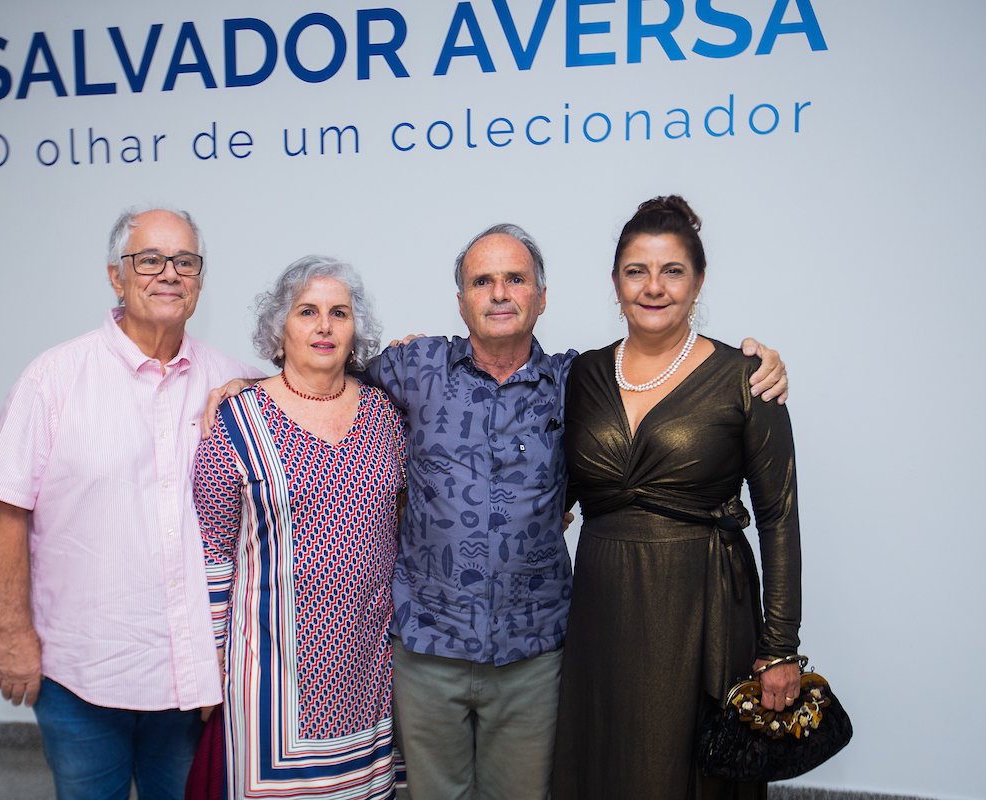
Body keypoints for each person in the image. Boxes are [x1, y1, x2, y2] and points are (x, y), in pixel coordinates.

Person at [203, 224, 788, 799]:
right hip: (428, 648)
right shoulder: (413, 368)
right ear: (461, 301)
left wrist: (751, 363)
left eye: (516, 278)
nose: (500, 293)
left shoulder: (581, 380)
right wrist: (246, 386)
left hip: (532, 652)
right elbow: (322, 370)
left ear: (541, 296)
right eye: (483, 281)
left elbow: (653, 387)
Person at [0, 207, 264, 800]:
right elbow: (6, 510)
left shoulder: (235, 384)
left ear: (200, 280)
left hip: (193, 683)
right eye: (150, 260)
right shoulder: (52, 379)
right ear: (116, 276)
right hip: (79, 674)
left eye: (184, 261)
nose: (169, 274)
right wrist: (12, 634)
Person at [551, 196, 802, 799]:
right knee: (603, 768)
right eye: (637, 271)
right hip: (601, 611)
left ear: (699, 281)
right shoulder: (580, 376)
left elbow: (779, 517)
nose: (654, 287)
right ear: (615, 282)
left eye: (673, 271)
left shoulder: (747, 378)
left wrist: (780, 647)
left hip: (703, 609)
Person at [193, 256, 407, 799]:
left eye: (339, 312)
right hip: (271, 675)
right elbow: (213, 550)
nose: (324, 325)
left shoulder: (389, 417)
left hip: (366, 665)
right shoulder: (238, 419)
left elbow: (408, 527)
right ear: (278, 328)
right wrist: (209, 661)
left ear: (356, 329)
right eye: (307, 311)